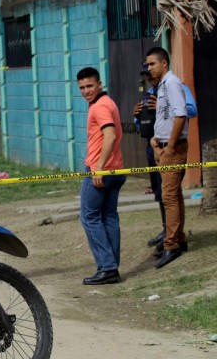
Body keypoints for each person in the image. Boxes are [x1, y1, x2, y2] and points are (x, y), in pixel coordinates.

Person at [77, 67, 126, 285]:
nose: (86, 91)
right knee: (109, 216)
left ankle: (107, 267)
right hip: (116, 169)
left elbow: (111, 136)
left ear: (99, 84)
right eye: (82, 87)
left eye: (90, 86)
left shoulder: (100, 106)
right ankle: (111, 266)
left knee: (89, 217)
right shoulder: (108, 102)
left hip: (102, 171)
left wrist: (98, 167)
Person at [146, 47, 189, 269]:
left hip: (172, 150)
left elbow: (181, 115)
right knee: (175, 196)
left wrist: (170, 146)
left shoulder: (171, 83)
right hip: (162, 147)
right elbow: (166, 117)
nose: (149, 68)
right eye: (148, 65)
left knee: (169, 198)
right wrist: (156, 140)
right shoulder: (162, 86)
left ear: (164, 63)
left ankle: (171, 245)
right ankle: (178, 240)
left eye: (152, 64)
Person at [133, 64, 166, 249]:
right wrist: (137, 117)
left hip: (166, 146)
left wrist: (160, 105)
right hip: (150, 146)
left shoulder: (172, 89)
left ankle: (173, 235)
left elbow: (189, 110)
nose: (149, 77)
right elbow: (141, 124)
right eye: (146, 75)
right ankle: (165, 230)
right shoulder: (147, 96)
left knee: (168, 193)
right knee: (158, 191)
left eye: (151, 72)